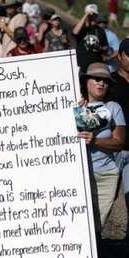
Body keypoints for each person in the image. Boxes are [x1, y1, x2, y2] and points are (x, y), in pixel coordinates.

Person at [77, 62, 126, 240]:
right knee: (78, 224)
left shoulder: (114, 108)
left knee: (95, 227)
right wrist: (74, 110)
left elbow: (119, 142)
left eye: (105, 80)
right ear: (86, 81)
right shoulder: (74, 105)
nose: (101, 83)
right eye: (96, 79)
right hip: (77, 175)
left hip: (106, 175)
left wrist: (95, 141)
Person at [111, 38, 129, 239]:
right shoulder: (109, 82)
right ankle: (95, 239)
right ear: (120, 56)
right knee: (106, 198)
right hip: (113, 151)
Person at [72, 4, 109, 73]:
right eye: (91, 15)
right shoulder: (81, 28)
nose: (92, 17)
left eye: (94, 15)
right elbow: (75, 32)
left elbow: (106, 46)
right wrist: (86, 16)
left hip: (94, 65)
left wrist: (100, 48)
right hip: (81, 64)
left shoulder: (100, 30)